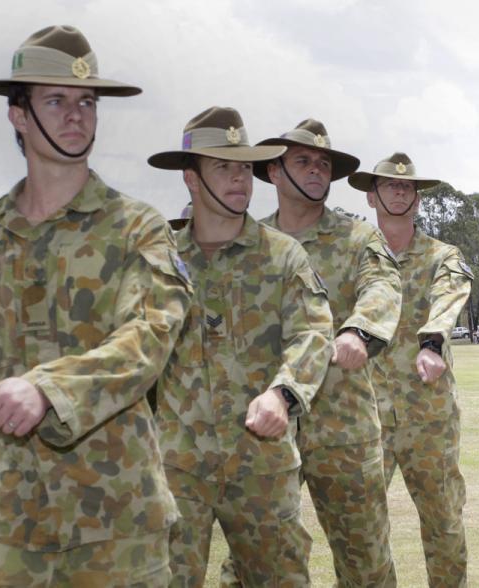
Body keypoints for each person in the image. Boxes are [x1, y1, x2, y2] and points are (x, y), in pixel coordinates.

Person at [0, 25, 191, 585]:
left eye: (87, 102)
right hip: (3, 511)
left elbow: (148, 336)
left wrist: (48, 388)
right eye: (55, 100)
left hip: (115, 512)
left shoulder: (137, 229)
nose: (76, 115)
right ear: (18, 115)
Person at [149, 106, 334, 587]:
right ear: (191, 178)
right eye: (223, 167)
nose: (239, 180)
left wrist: (283, 393)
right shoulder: (157, 259)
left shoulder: (282, 255)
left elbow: (314, 333)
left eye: (245, 168)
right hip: (176, 467)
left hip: (262, 465)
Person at [251, 119, 402, 586]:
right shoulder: (251, 246)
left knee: (366, 563)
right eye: (303, 160)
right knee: (254, 560)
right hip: (269, 428)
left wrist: (359, 330)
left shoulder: (358, 238)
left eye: (323, 163)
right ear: (275, 172)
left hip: (344, 426)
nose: (316, 169)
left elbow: (382, 284)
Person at [350, 152, 472, 586]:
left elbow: (449, 295)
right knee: (360, 529)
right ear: (371, 196)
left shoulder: (443, 256)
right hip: (365, 416)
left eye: (407, 187)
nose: (400, 192)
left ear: (417, 200)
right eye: (390, 185)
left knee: (444, 523)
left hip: (429, 416)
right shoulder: (352, 255)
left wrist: (433, 341)